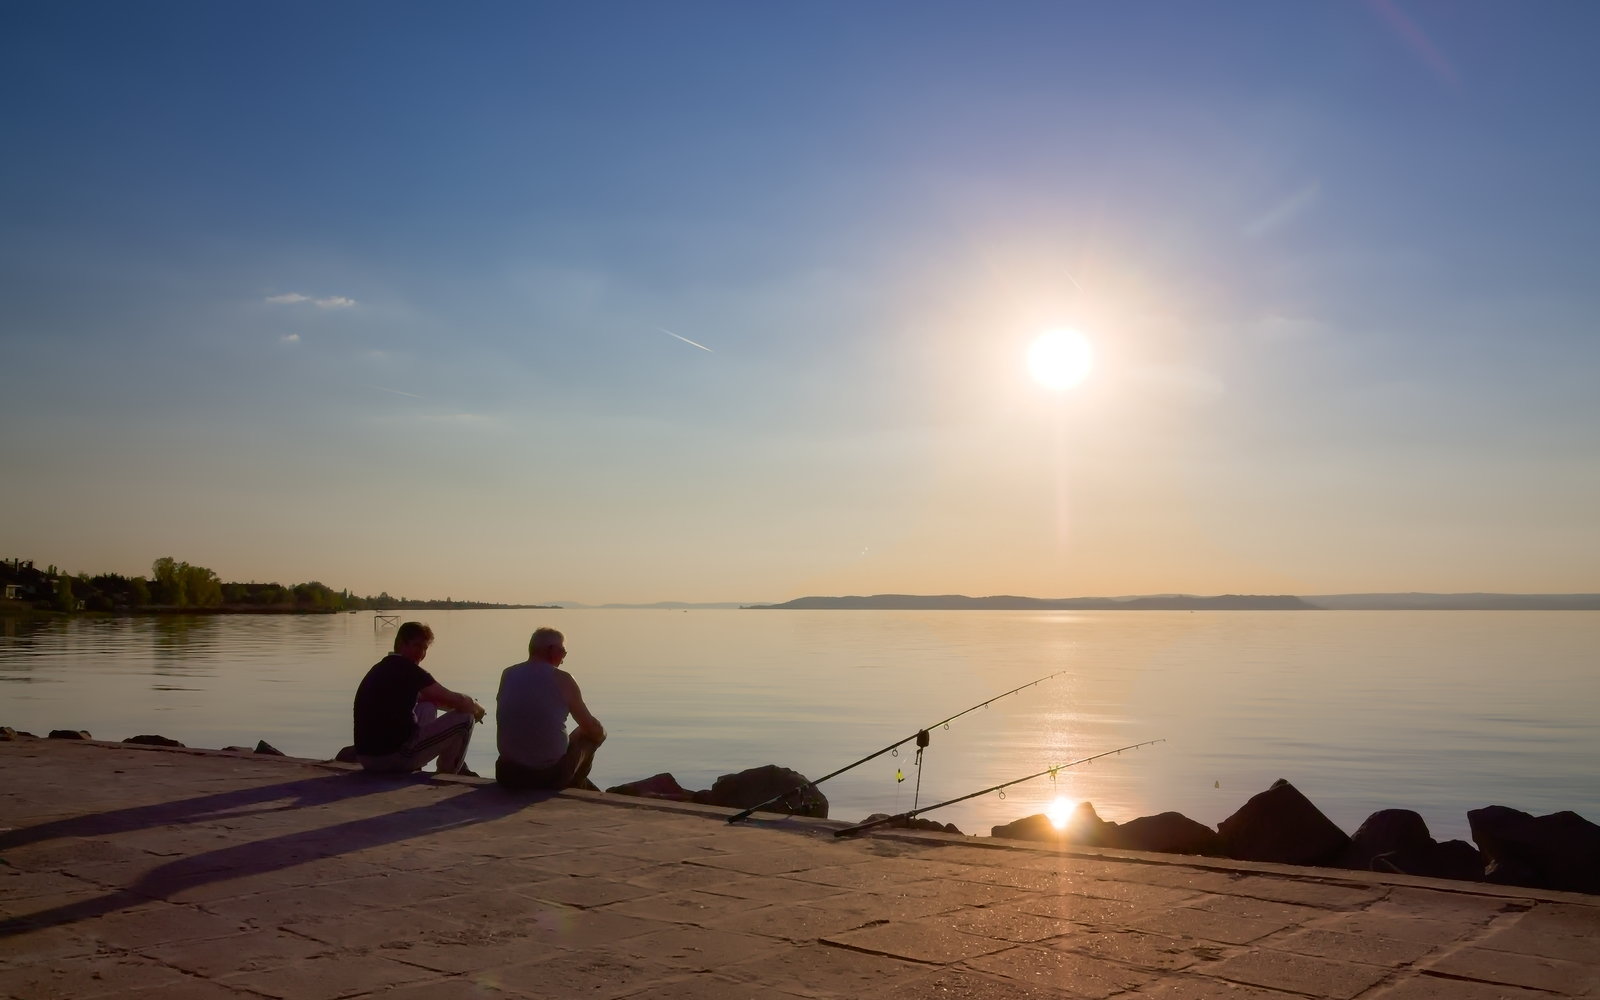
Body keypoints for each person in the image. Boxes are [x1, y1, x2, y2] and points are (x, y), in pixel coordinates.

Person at [353, 621, 485, 775]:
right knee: (465, 719)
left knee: (427, 706)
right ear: (401, 644)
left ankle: (425, 766)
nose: (421, 653)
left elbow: (434, 699)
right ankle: (448, 774)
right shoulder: (410, 671)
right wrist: (478, 709)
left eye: (425, 648)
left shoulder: (381, 668)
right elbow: (460, 701)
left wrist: (451, 706)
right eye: (417, 646)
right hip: (393, 759)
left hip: (367, 759)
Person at [495, 627, 605, 790]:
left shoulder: (508, 674)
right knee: (592, 734)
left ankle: (579, 785)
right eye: (563, 652)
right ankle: (576, 787)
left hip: (507, 775)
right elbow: (590, 727)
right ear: (551, 650)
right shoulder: (563, 679)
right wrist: (600, 733)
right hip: (547, 778)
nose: (563, 660)